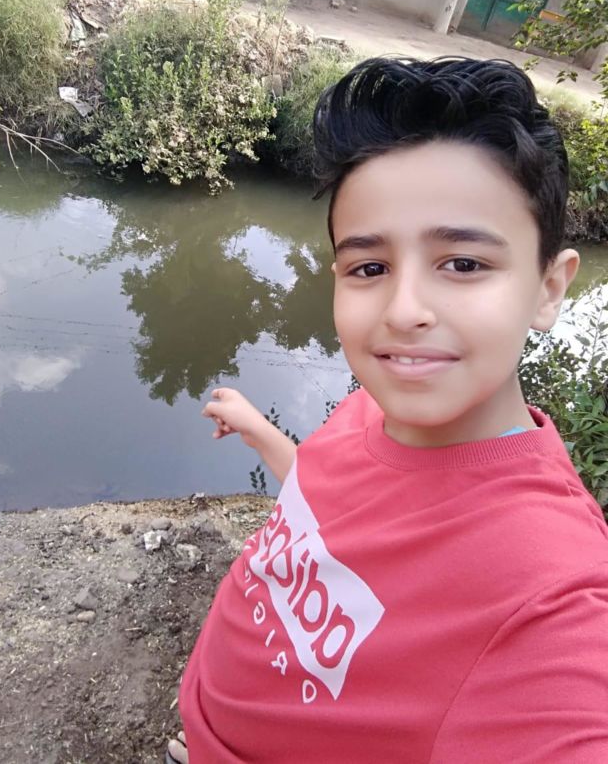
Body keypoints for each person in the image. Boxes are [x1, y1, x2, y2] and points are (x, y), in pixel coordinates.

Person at [167, 57, 608, 764]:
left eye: (463, 263)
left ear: (548, 288)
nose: (404, 311)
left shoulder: (552, 593)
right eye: (369, 268)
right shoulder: (373, 407)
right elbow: (327, 501)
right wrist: (259, 430)